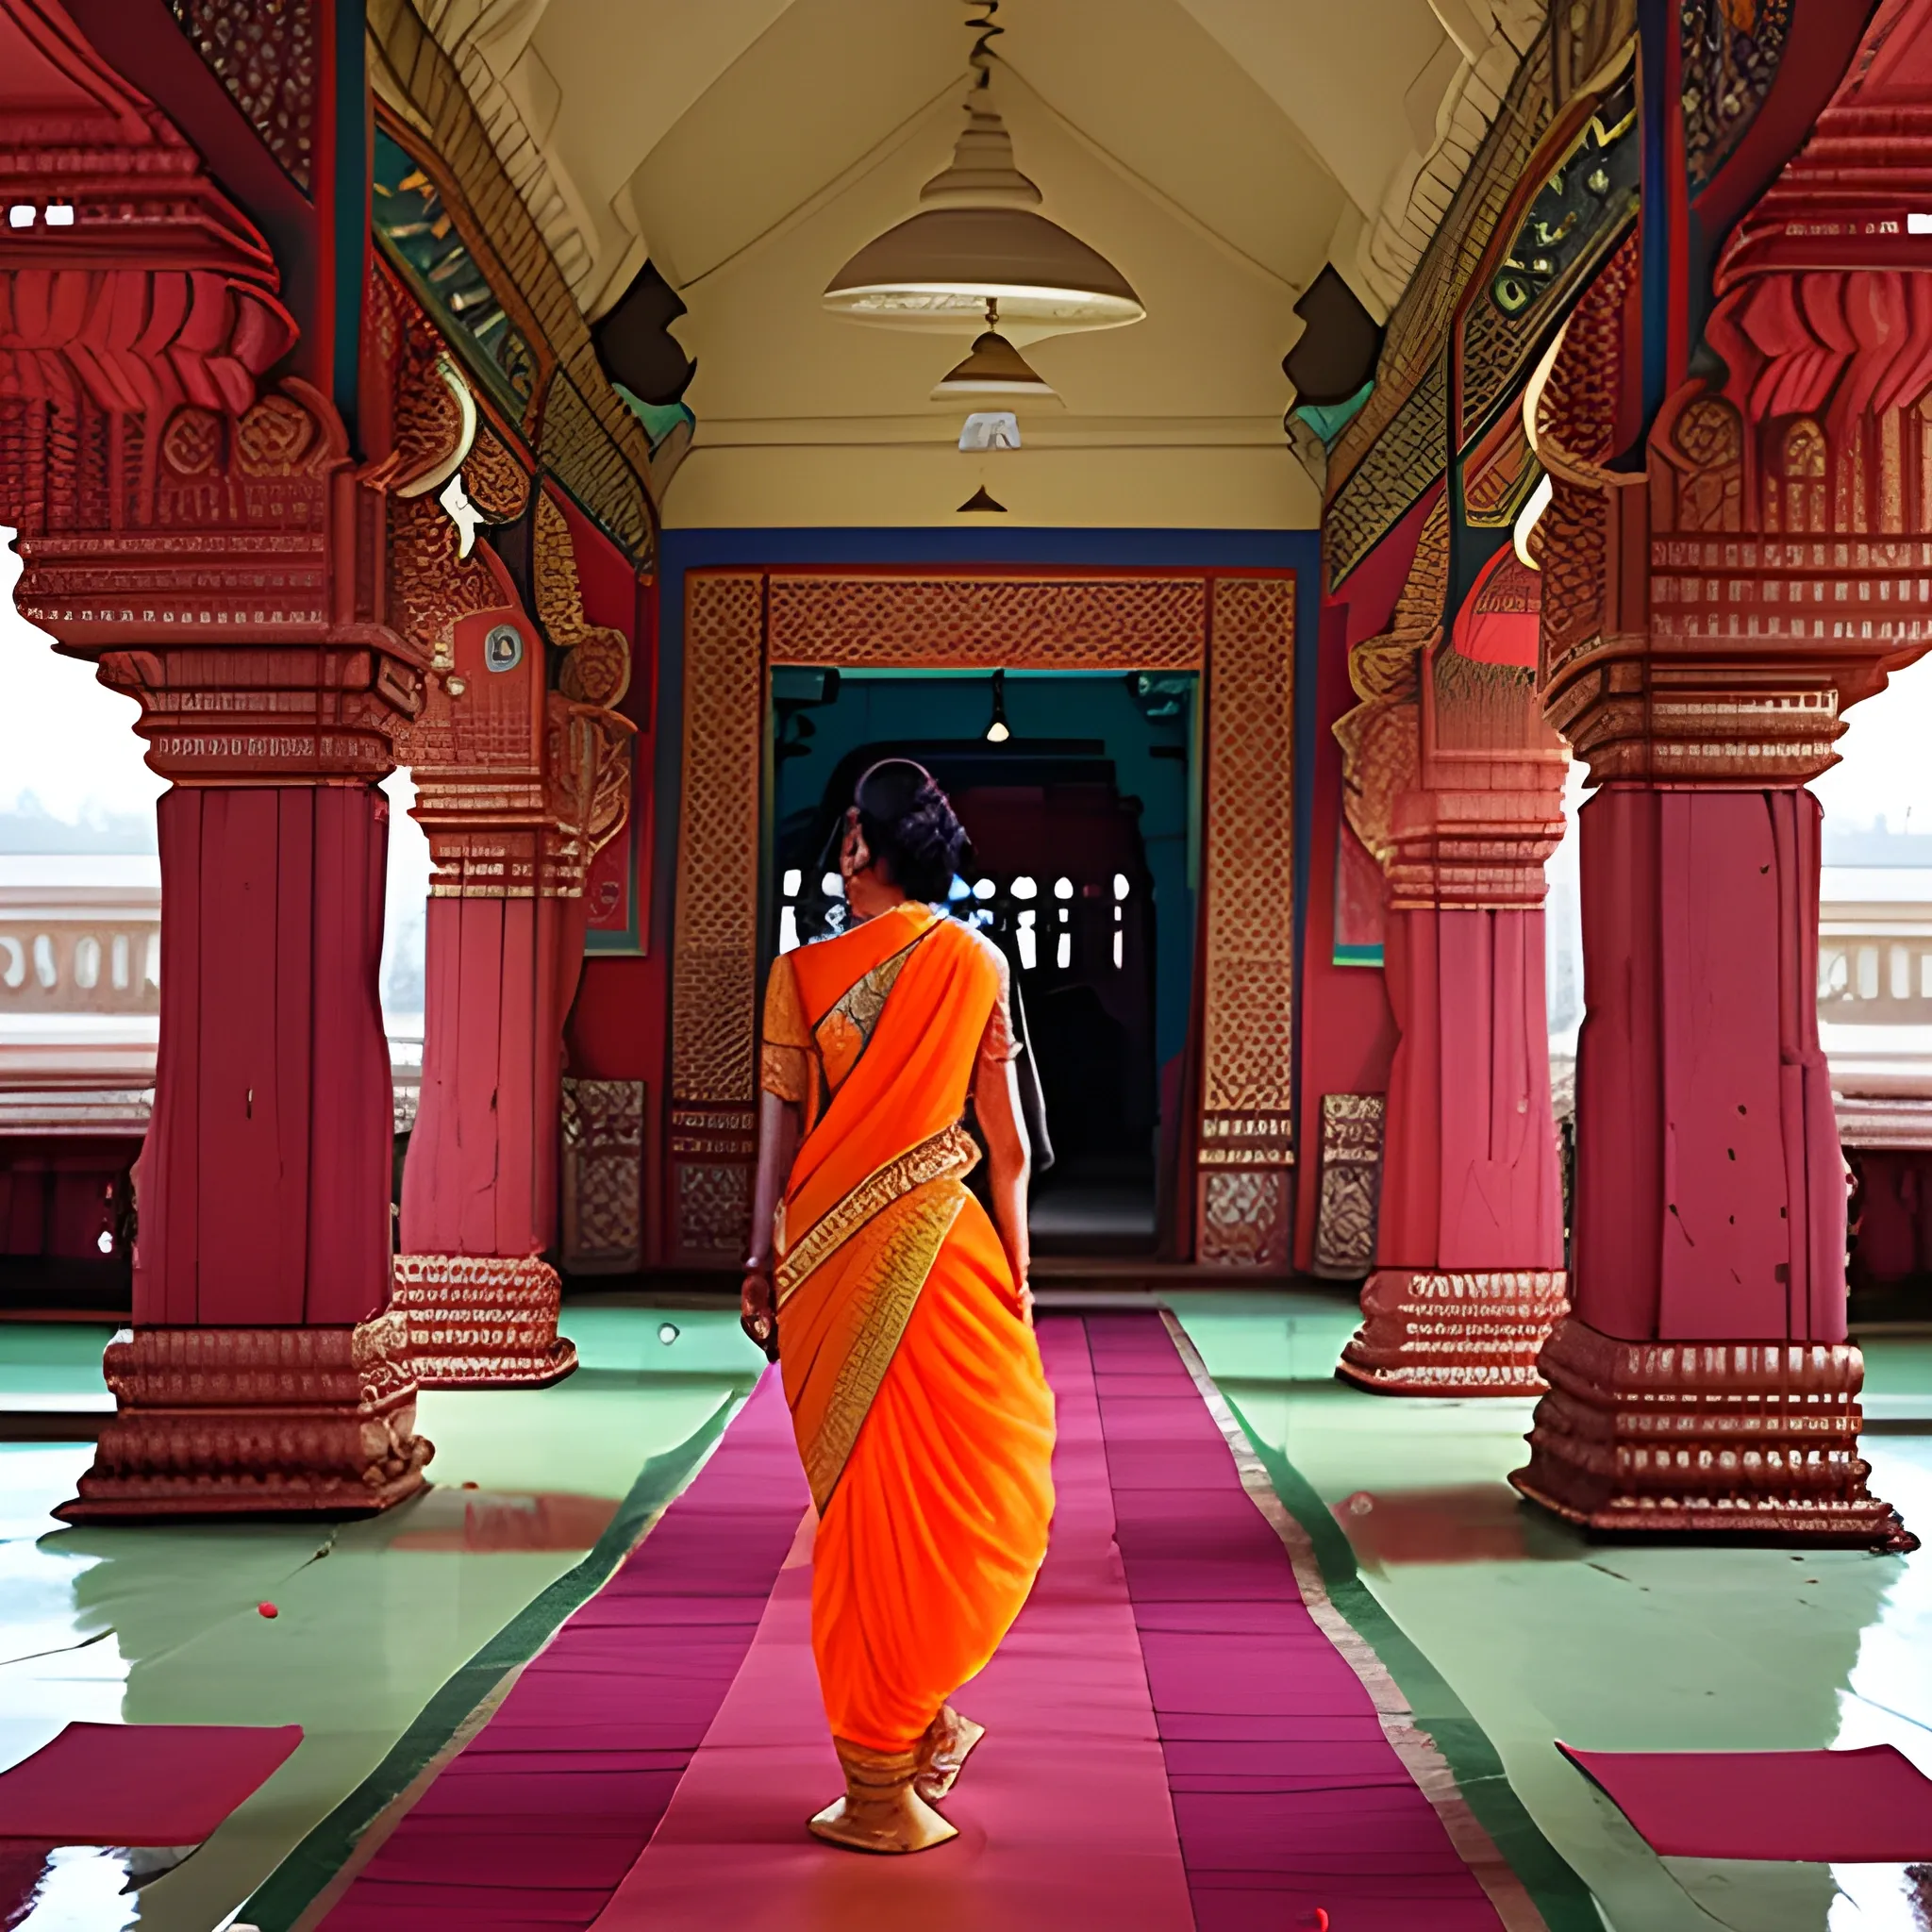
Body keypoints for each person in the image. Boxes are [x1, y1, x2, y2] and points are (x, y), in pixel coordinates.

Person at [741, 758, 1057, 1855]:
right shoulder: (974, 960)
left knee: (864, 1507)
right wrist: (1015, 1269)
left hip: (825, 1258)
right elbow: (1005, 1146)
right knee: (975, 1484)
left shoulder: (801, 974)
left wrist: (753, 1260)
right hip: (945, 1250)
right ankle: (902, 1731)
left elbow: (777, 1135)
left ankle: (885, 1763)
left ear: (858, 850)